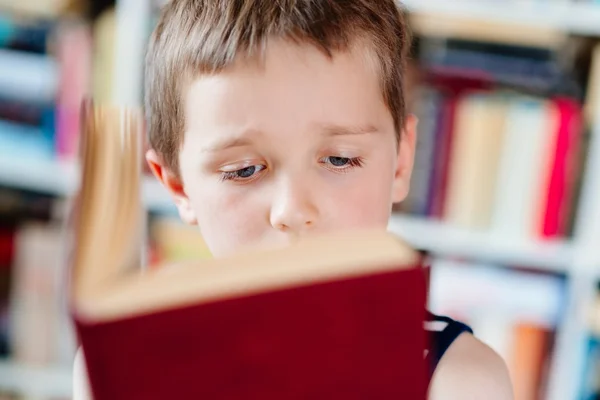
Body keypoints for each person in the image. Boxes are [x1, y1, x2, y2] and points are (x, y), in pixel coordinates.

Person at [74, 0, 514, 398]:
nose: (293, 210)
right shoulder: (122, 367)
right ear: (178, 187)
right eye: (244, 170)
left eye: (339, 160)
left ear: (400, 163)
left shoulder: (459, 381)